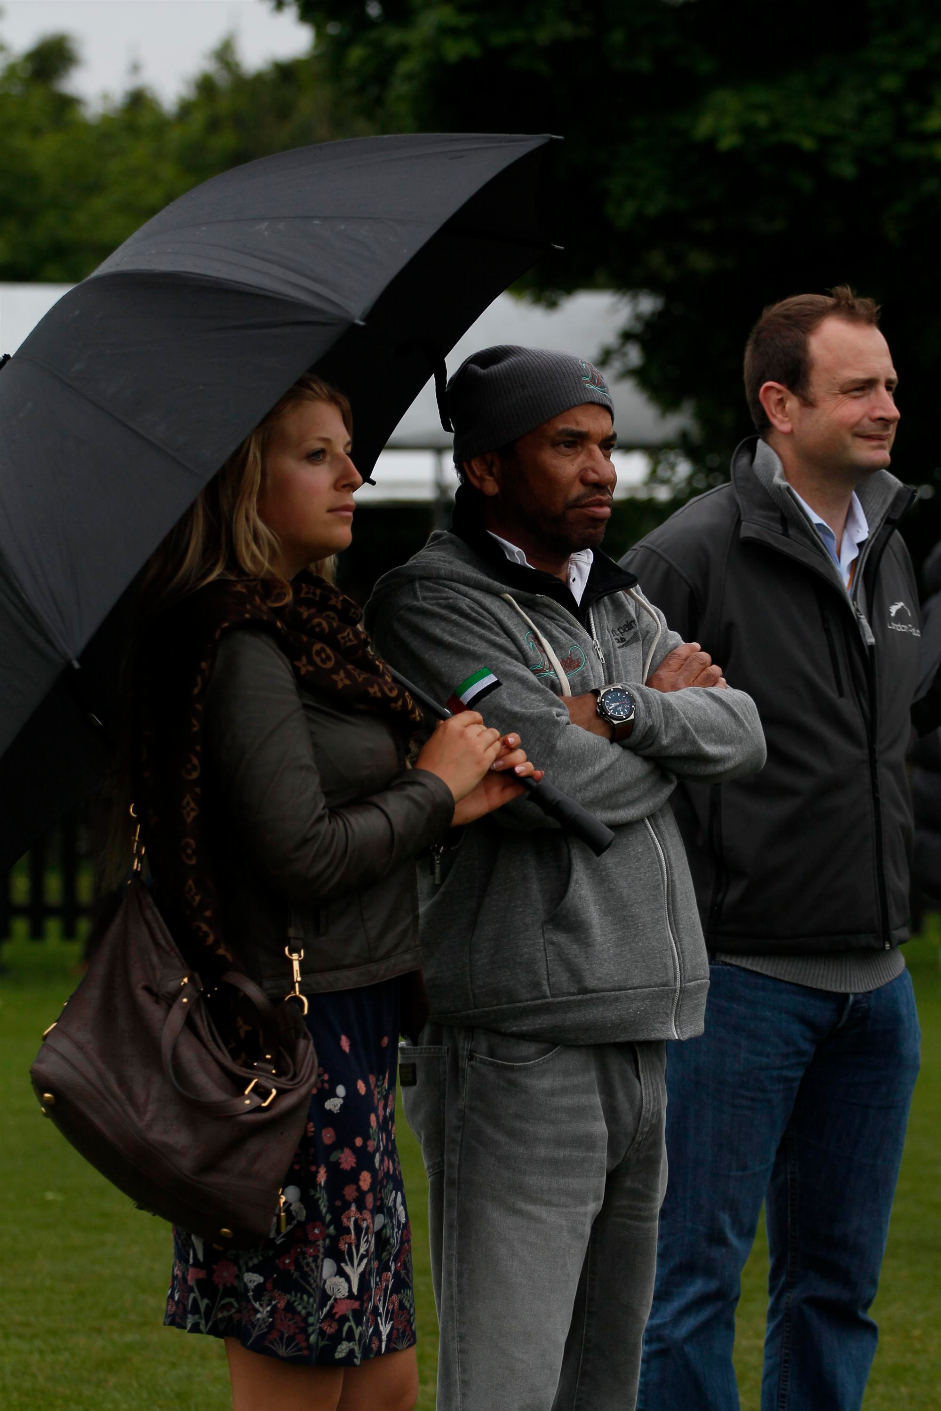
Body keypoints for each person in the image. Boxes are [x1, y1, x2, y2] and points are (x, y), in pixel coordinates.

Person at [121, 372, 541, 1411]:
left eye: (347, 450)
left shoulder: (311, 626)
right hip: (285, 1045)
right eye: (317, 455)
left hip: (348, 1021)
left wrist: (450, 801)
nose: (354, 474)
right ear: (240, 480)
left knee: (380, 1382)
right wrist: (431, 788)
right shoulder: (238, 641)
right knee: (307, 1381)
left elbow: (336, 826)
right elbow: (300, 855)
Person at [365, 344, 766, 1411]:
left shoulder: (618, 600)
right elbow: (552, 783)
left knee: (602, 1384)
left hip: (642, 1028)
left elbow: (741, 731)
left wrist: (621, 709)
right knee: (506, 1382)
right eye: (567, 444)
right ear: (486, 467)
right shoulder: (429, 602)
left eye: (606, 445)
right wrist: (650, 722)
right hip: (517, 1040)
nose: (601, 470)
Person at [623, 288, 923, 1411]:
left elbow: (898, 736)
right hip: (733, 983)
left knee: (837, 1289)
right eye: (858, 388)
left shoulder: (892, 546)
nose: (886, 407)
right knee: (688, 1286)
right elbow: (604, 742)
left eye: (889, 384)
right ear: (779, 405)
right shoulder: (685, 554)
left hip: (879, 989)